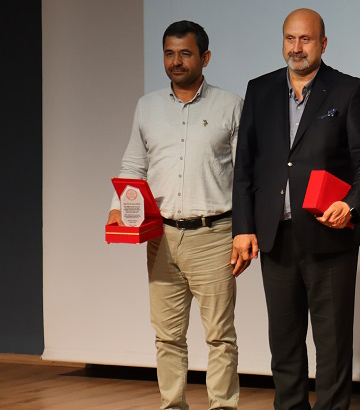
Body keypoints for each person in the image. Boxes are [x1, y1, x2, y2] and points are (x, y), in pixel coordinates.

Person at [231, 8, 360, 410]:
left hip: (329, 237)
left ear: (323, 43)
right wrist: (243, 226)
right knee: (284, 344)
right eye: (290, 38)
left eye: (306, 39)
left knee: (332, 346)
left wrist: (351, 204)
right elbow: (245, 165)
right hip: (275, 237)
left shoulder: (348, 90)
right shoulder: (260, 89)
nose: (296, 47)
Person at [107, 21, 244, 410]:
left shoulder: (230, 105)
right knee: (167, 336)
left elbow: (245, 175)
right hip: (161, 238)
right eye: (169, 53)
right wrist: (117, 208)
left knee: (220, 336)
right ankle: (172, 406)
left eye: (185, 53)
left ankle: (223, 407)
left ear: (205, 57)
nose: (176, 61)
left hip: (214, 235)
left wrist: (244, 232)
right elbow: (133, 165)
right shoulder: (147, 106)